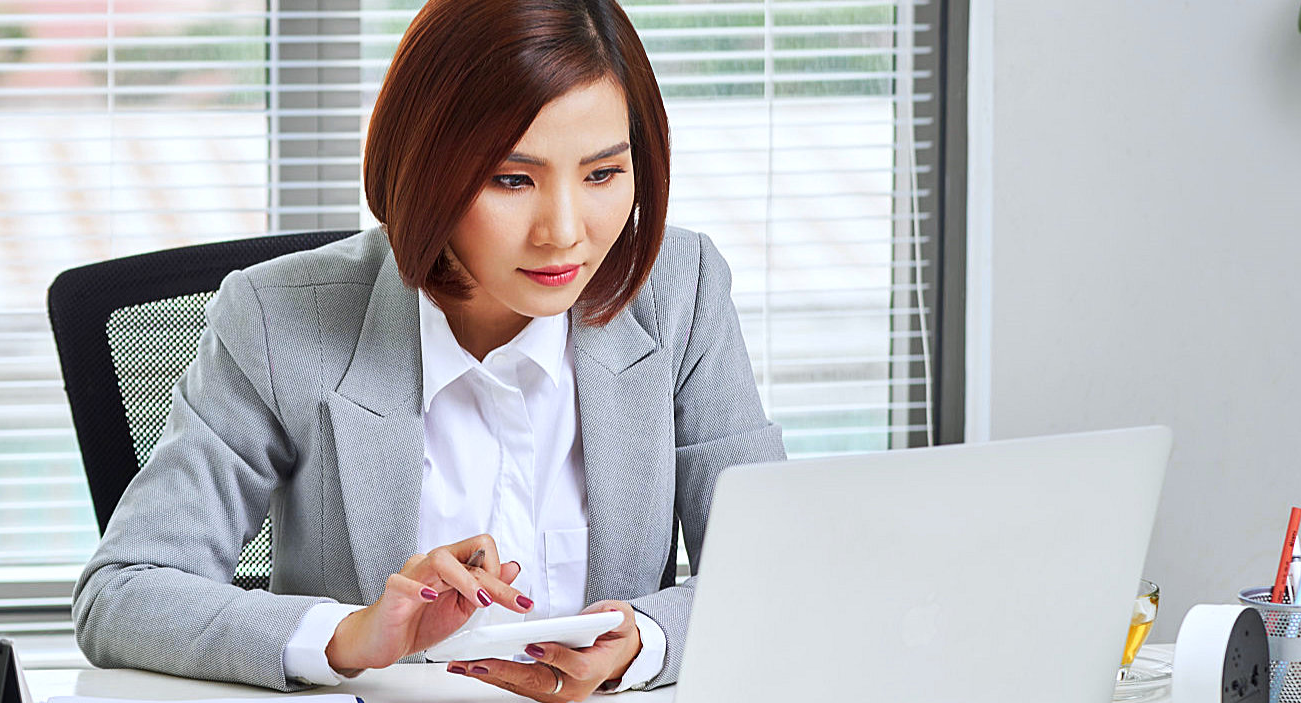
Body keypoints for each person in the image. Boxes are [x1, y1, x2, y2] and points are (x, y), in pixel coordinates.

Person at [69, 0, 784, 699]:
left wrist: (647, 639)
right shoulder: (278, 318)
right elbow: (123, 589)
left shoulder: (680, 293)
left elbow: (775, 571)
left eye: (602, 174)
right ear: (424, 168)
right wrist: (351, 634)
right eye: (512, 178)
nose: (564, 231)